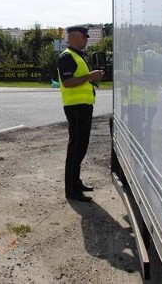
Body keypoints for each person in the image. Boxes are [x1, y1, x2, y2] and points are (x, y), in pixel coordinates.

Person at [57, 25, 104, 202]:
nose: (86, 40)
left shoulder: (77, 56)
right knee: (75, 147)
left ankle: (76, 183)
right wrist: (90, 77)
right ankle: (71, 190)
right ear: (75, 36)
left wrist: (92, 77)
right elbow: (68, 82)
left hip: (83, 106)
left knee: (81, 147)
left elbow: (81, 80)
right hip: (75, 107)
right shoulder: (67, 57)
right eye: (84, 37)